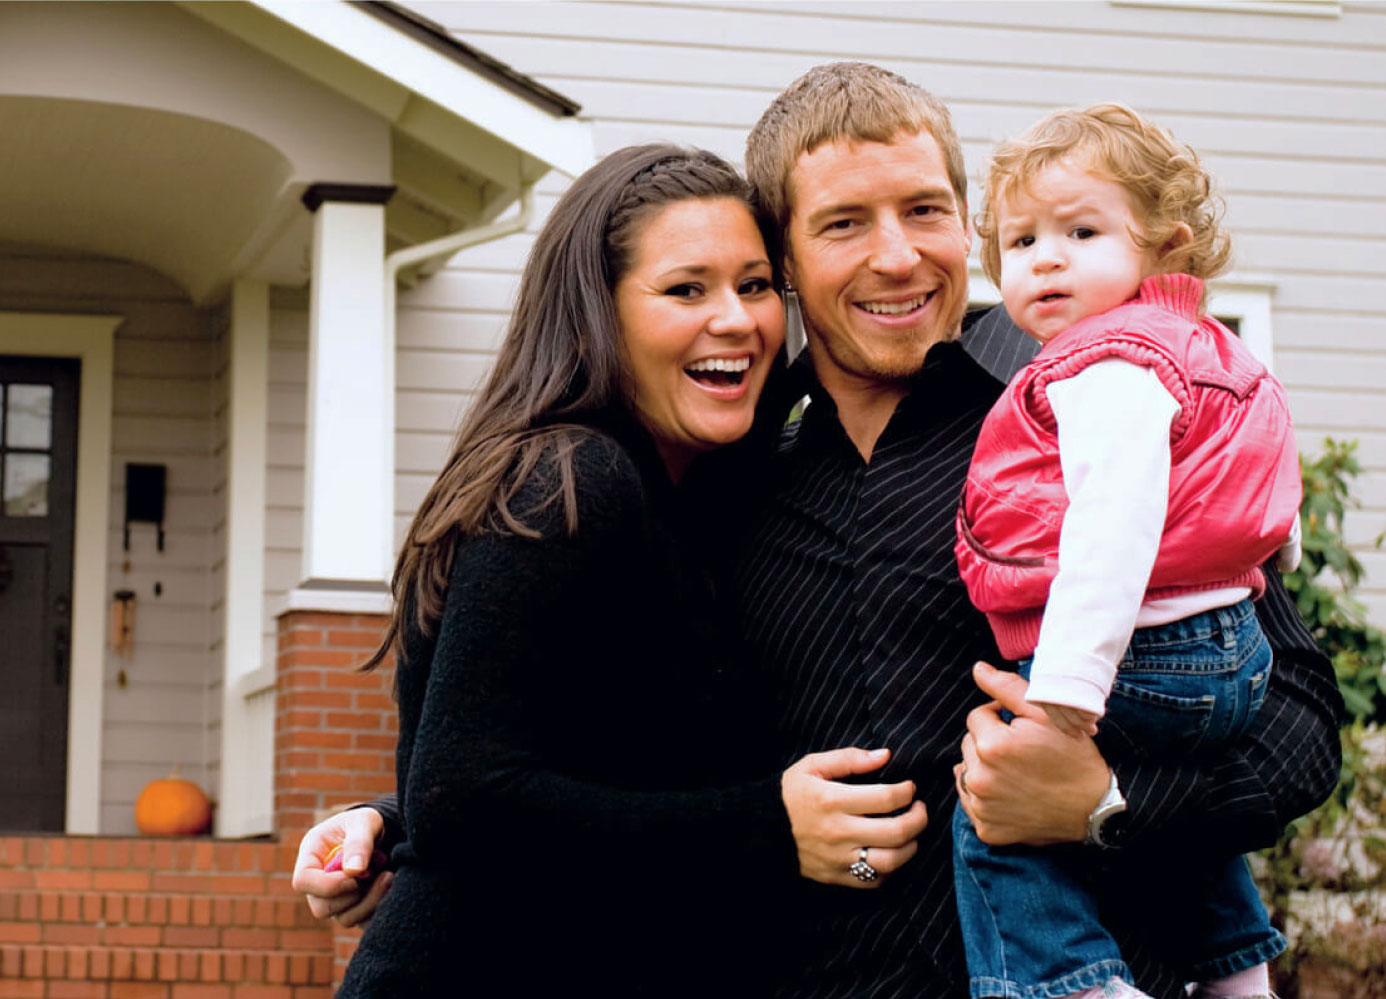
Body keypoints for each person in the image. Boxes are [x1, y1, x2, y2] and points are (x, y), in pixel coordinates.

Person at [296, 66, 1343, 999]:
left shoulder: (1079, 432)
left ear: (966, 225)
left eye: (925, 210)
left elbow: (1298, 718)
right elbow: (610, 749)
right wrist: (405, 824)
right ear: (786, 261)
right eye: (843, 224)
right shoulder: (718, 482)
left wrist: (1107, 802)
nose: (898, 256)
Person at [320, 144, 929, 998]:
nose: (736, 319)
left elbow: (566, 758)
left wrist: (383, 825)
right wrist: (768, 824)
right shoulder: (568, 478)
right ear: (596, 315)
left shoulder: (693, 495)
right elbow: (467, 797)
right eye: (686, 289)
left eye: (755, 285)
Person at [949, 103, 1303, 999]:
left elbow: (1110, 528)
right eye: (1021, 240)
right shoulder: (1208, 348)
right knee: (1187, 822)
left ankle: (1075, 983)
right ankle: (1241, 976)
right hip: (1229, 644)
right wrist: (1270, 563)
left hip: (1142, 656)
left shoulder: (1105, 365)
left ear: (1164, 247)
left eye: (1081, 231)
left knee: (992, 814)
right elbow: (1255, 471)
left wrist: (1067, 693)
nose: (1046, 257)